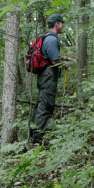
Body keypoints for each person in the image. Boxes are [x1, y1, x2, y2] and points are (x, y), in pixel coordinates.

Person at [30, 13, 71, 146]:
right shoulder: (52, 39)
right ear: (57, 24)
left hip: (43, 75)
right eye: (61, 23)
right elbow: (54, 60)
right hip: (48, 76)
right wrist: (64, 64)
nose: (62, 25)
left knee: (41, 104)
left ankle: (33, 134)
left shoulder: (46, 38)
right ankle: (37, 139)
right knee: (45, 105)